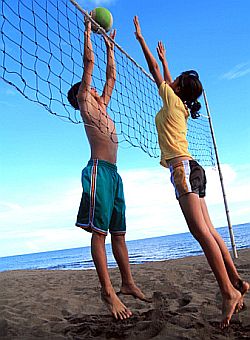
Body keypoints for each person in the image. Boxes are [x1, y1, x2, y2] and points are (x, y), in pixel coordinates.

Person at [133, 15, 249, 328]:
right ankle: (238, 281)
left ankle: (228, 292)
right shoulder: (181, 105)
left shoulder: (172, 99)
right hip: (194, 167)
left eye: (177, 79)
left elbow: (157, 74)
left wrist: (141, 40)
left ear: (178, 87)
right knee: (210, 232)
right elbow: (169, 78)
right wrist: (167, 59)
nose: (172, 81)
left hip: (183, 169)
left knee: (201, 234)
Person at [67, 17, 147, 321]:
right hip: (99, 170)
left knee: (119, 234)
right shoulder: (86, 103)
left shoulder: (102, 104)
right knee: (99, 234)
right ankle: (108, 292)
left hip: (114, 174)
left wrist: (110, 46)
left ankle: (127, 283)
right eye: (89, 88)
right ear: (81, 96)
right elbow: (89, 65)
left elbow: (111, 78)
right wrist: (88, 33)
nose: (98, 90)